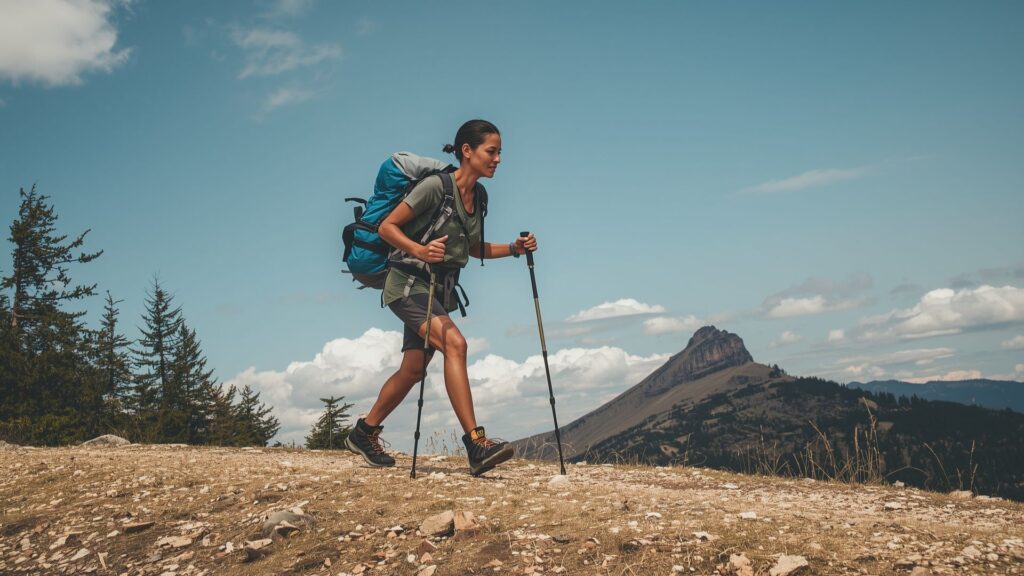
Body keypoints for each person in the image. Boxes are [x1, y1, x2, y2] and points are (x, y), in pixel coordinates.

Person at [345, 119, 537, 476]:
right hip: (407, 284)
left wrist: (514, 248)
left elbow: (472, 246)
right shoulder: (435, 188)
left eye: (499, 153)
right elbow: (387, 227)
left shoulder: (478, 196)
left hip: (437, 290)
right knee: (456, 345)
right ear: (467, 151)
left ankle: (364, 432)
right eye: (491, 152)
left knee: (414, 369)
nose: (497, 159)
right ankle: (476, 443)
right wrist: (420, 250)